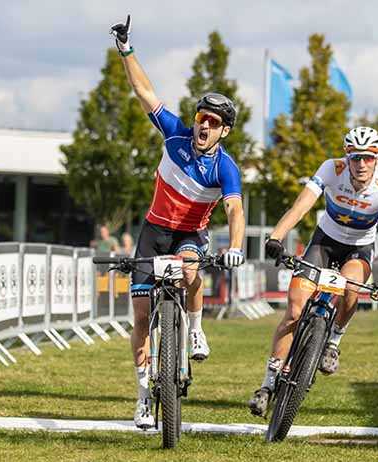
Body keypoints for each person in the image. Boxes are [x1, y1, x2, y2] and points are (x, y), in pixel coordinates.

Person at [110, 15, 246, 430]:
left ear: (224, 132)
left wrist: (236, 246)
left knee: (189, 269)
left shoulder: (226, 168)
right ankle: (142, 397)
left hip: (190, 233)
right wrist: (126, 49)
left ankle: (196, 329)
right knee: (138, 315)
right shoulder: (174, 134)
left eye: (214, 123)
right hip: (153, 231)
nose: (204, 125)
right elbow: (144, 91)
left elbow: (235, 211)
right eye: (202, 117)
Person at [248, 126, 378, 417]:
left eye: (368, 158)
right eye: (355, 158)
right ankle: (267, 384)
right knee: (295, 310)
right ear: (347, 156)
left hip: (359, 249)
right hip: (324, 242)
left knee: (351, 287)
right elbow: (302, 206)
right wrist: (276, 237)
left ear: (377, 159)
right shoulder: (331, 169)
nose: (360, 165)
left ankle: (334, 341)